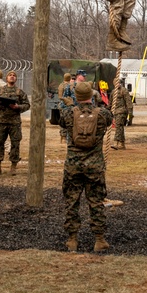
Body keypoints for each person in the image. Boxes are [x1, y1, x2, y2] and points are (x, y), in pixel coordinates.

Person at [60, 81, 114, 253]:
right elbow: (110, 119)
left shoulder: (68, 113)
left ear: (76, 96)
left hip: (73, 165)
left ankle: (72, 239)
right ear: (92, 95)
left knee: (72, 201)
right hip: (95, 165)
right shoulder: (103, 114)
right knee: (96, 202)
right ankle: (99, 240)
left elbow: (61, 122)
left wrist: (71, 105)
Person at [0, 70, 29, 175]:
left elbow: (27, 105)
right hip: (1, 121)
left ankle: (13, 167)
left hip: (14, 122)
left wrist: (18, 107)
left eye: (14, 75)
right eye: (10, 75)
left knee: (15, 144)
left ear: (16, 79)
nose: (12, 77)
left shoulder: (19, 92)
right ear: (6, 78)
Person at [109, 75, 132, 150]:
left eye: (118, 82)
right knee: (120, 127)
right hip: (115, 111)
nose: (117, 84)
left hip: (122, 111)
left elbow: (128, 102)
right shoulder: (113, 92)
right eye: (116, 83)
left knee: (118, 126)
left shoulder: (124, 91)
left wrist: (130, 113)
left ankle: (116, 142)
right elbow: (110, 102)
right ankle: (122, 143)